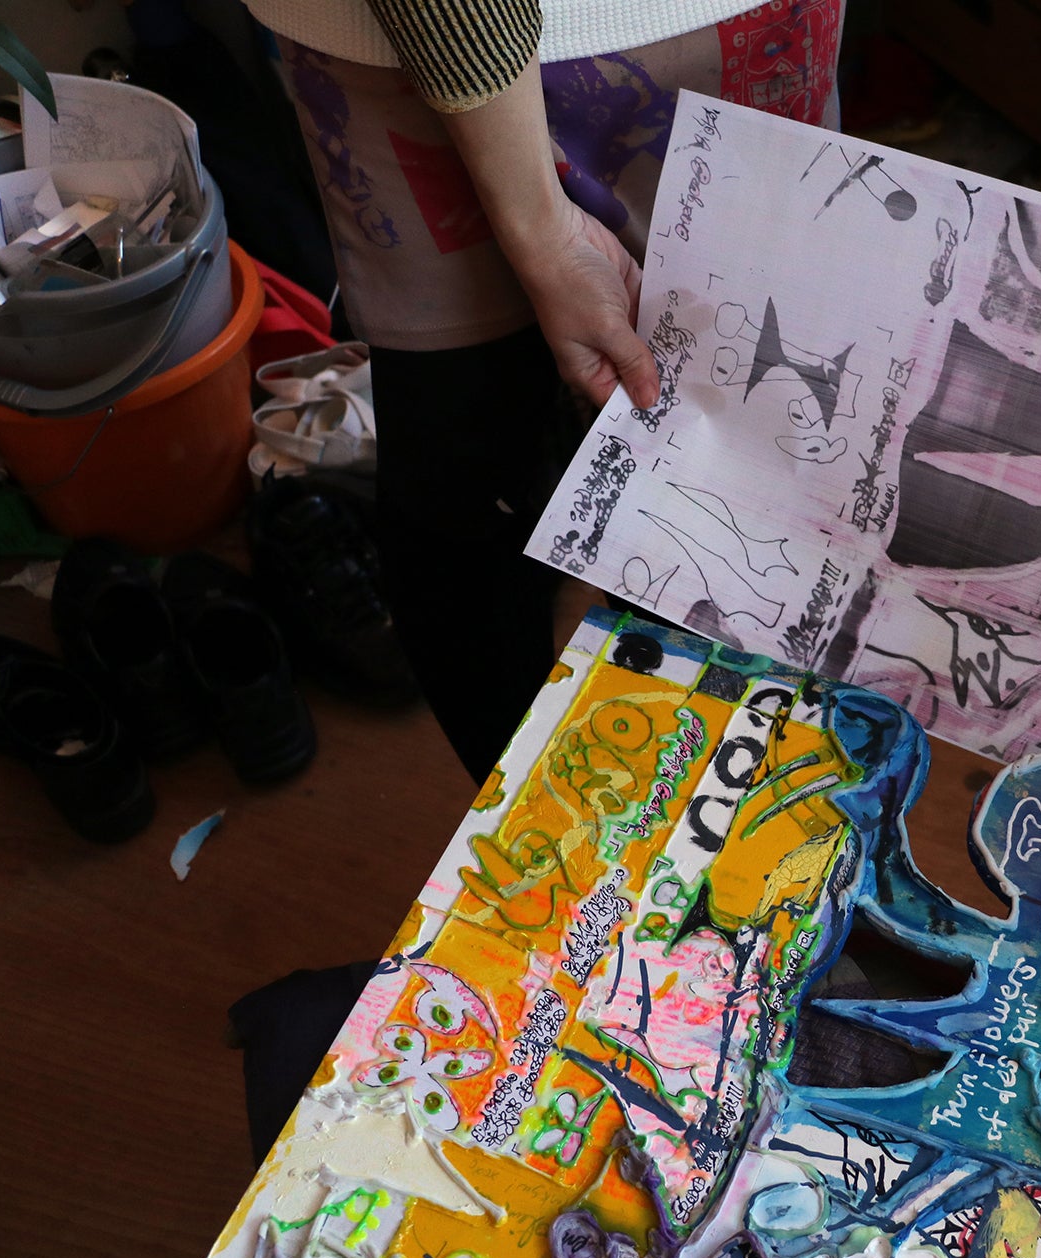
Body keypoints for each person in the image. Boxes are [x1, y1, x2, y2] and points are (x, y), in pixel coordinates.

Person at [241, 0, 846, 781]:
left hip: (713, 23)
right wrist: (540, 227)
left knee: (723, 469)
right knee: (464, 472)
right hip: (389, 41)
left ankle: (708, 808)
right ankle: (540, 819)